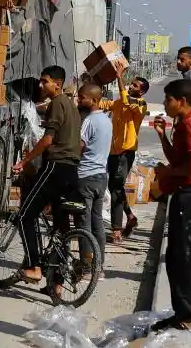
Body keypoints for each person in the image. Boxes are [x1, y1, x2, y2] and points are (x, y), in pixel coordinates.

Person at [11, 66, 81, 285]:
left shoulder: (57, 104)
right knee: (61, 227)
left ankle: (34, 267)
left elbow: (48, 140)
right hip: (71, 170)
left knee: (24, 216)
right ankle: (57, 285)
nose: (40, 85)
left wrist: (24, 161)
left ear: (57, 84)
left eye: (45, 81)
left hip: (55, 167)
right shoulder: (72, 106)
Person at [151, 78, 191, 332]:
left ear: (182, 101)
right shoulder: (182, 123)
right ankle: (181, 313)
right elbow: (177, 158)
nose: (165, 103)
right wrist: (162, 136)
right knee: (176, 257)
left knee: (185, 256)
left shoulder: (190, 124)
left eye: (168, 99)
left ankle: (187, 316)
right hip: (185, 194)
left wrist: (167, 173)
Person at [102, 73, 149, 243]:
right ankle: (129, 216)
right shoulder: (121, 102)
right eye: (131, 84)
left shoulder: (141, 105)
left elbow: (127, 101)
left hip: (125, 153)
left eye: (135, 86)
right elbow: (106, 104)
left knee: (116, 188)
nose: (130, 87)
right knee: (115, 187)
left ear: (142, 92)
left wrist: (119, 78)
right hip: (114, 152)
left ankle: (116, 231)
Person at [76, 82, 113, 279]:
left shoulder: (89, 121)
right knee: (97, 223)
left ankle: (86, 266)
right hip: (101, 177)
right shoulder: (107, 121)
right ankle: (99, 266)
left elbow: (79, 147)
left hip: (86, 177)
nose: (79, 100)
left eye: (82, 97)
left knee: (84, 223)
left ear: (95, 100)